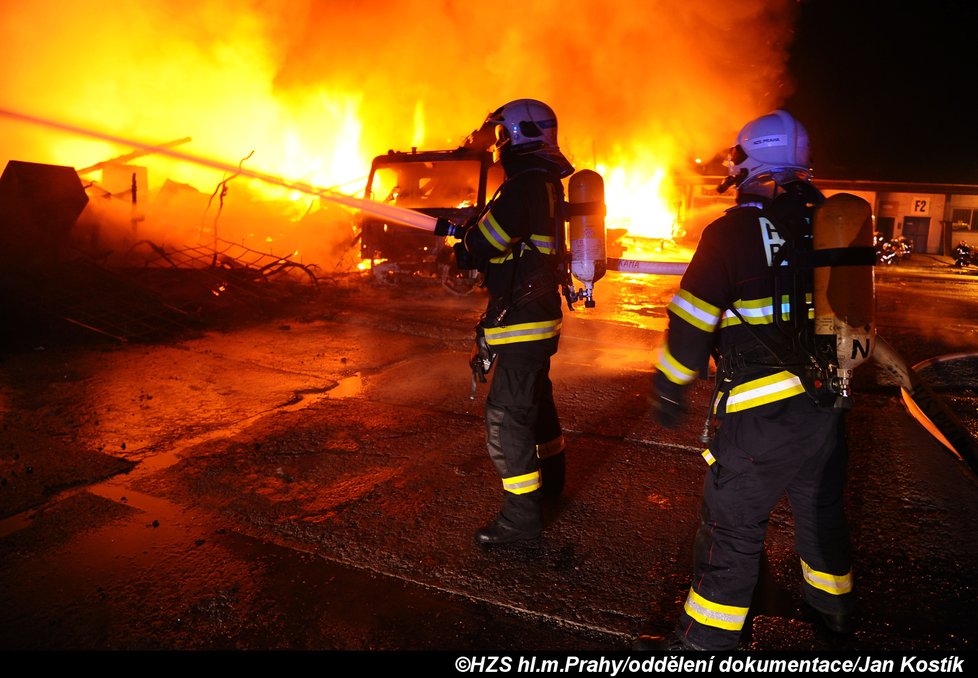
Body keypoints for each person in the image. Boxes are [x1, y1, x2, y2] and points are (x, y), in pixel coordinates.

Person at [635, 110, 856, 650]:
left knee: (731, 528)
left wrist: (671, 387)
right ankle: (834, 613)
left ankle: (703, 645)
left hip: (762, 414)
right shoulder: (832, 223)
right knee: (821, 511)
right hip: (830, 404)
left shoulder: (732, 232)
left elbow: (691, 318)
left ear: (754, 160)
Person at [435, 99, 575, 545]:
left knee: (506, 417)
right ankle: (551, 485)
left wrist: (464, 247)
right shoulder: (544, 182)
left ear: (518, 135)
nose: (496, 145)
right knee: (537, 402)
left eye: (501, 135)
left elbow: (489, 241)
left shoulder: (525, 184)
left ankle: (520, 520)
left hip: (522, 318)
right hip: (537, 315)